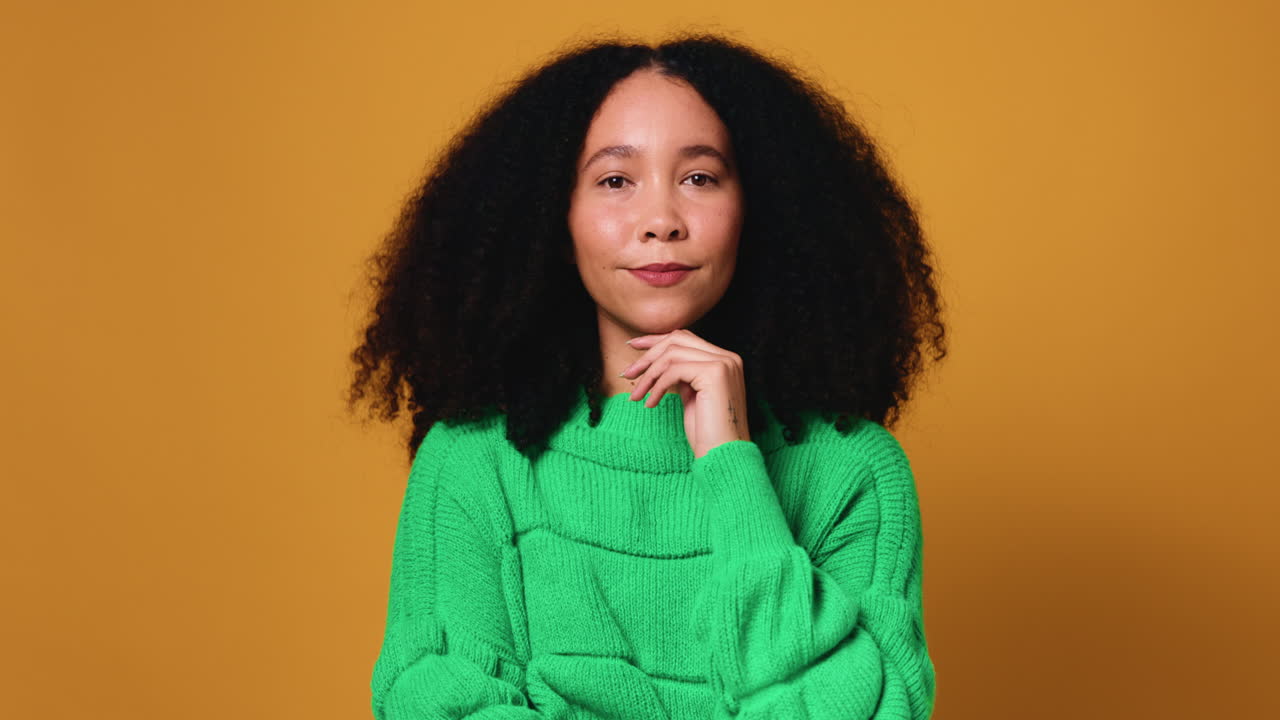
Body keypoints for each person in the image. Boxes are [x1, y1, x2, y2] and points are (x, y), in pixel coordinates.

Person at [347, 30, 948, 720]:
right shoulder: (473, 463)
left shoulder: (854, 474)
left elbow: (871, 709)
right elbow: (437, 700)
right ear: (555, 221)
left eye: (700, 178)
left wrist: (732, 462)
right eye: (615, 181)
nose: (661, 221)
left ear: (757, 210)